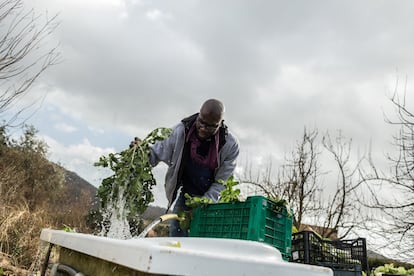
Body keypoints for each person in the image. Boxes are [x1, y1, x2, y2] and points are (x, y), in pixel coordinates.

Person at [147, 99, 239, 237]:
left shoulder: (230, 146)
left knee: (205, 238)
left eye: (210, 126)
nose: (202, 128)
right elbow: (157, 151)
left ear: (219, 125)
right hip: (187, 195)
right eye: (201, 121)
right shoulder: (180, 131)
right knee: (177, 232)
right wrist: (142, 154)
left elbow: (221, 182)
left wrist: (204, 203)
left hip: (213, 201)